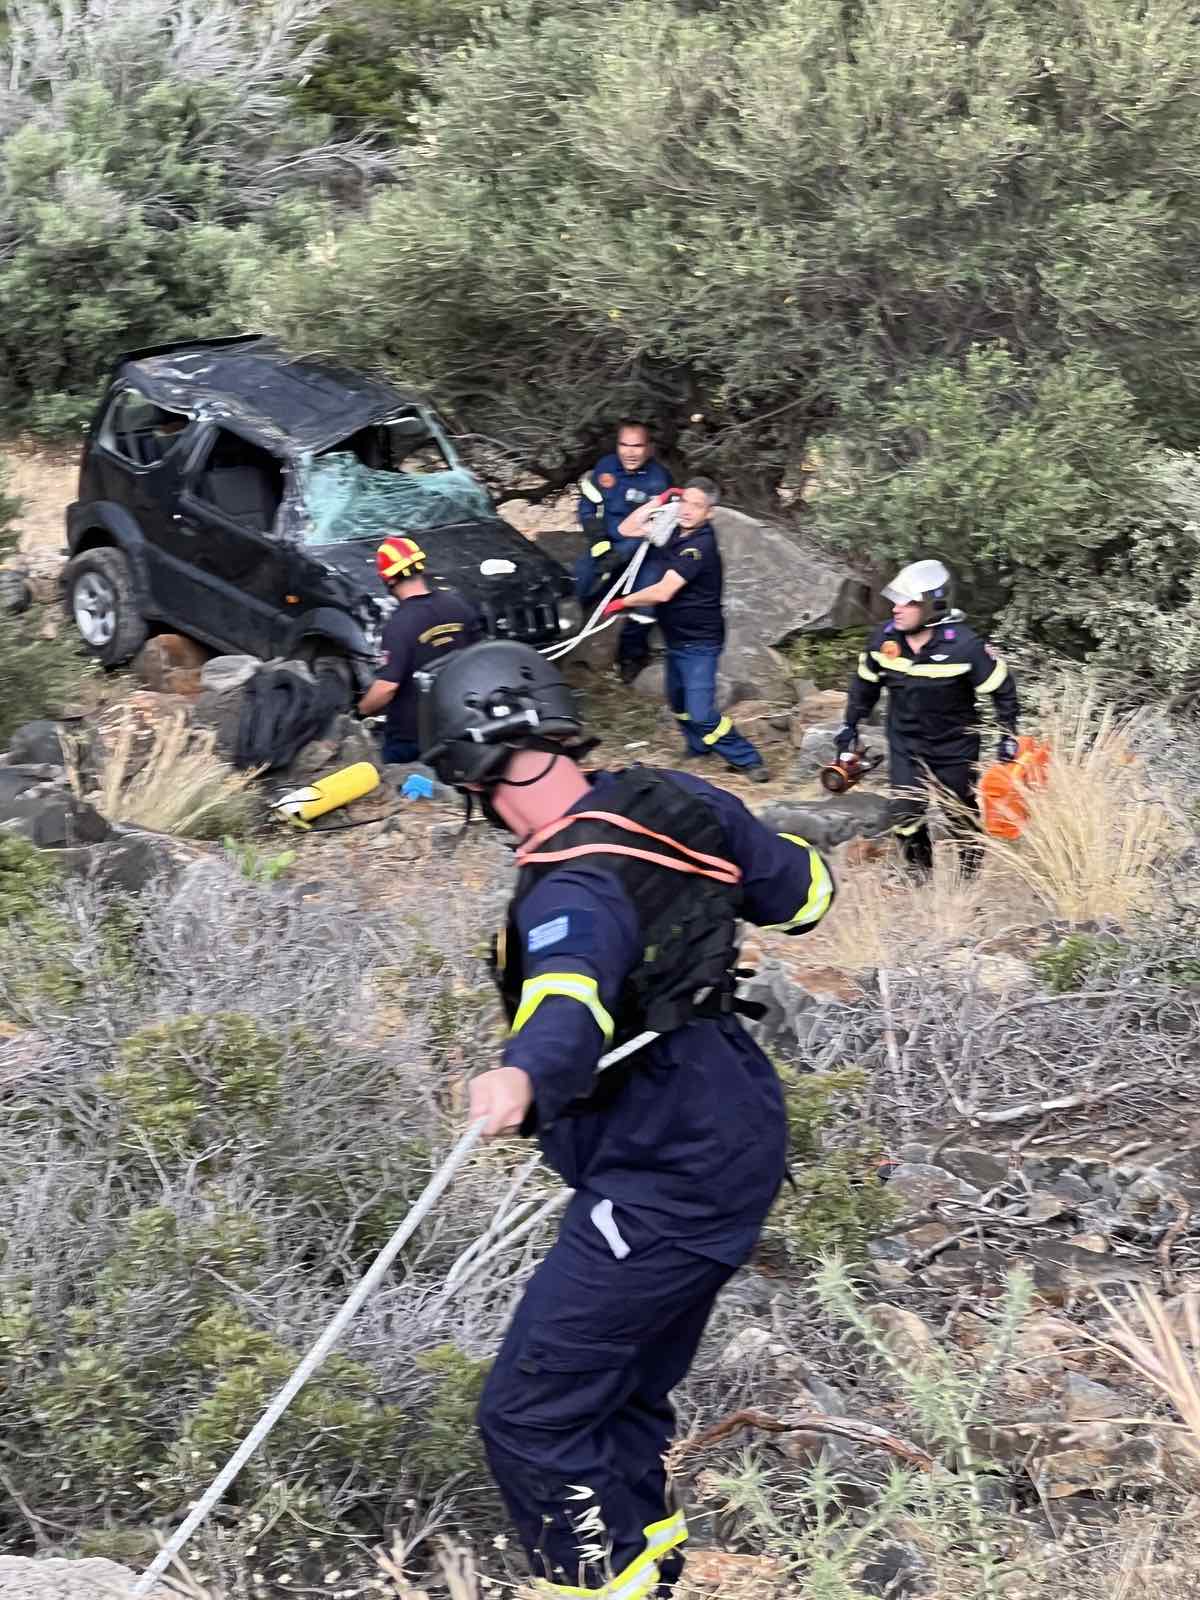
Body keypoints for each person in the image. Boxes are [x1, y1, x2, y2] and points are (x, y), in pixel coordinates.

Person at [415, 639, 834, 1600]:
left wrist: (522, 1075)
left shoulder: (568, 879)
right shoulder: (677, 800)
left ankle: (603, 1583)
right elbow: (803, 896)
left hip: (666, 1162)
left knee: (534, 1416)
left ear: (472, 769)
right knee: (622, 1391)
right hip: (729, 1116)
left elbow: (569, 994)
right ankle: (650, 1570)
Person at [835, 558, 1020, 875]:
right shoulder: (884, 641)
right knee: (906, 813)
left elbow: (1002, 689)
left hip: (955, 747)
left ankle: (968, 875)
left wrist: (1008, 735)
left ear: (932, 607)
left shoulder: (965, 647)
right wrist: (850, 725)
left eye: (908, 603)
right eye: (897, 601)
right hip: (906, 743)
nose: (896, 608)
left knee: (959, 813)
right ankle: (920, 873)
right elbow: (864, 685)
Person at [607, 477, 769, 783]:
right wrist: (658, 501)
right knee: (679, 703)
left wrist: (623, 602)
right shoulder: (673, 532)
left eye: (697, 506)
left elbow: (664, 592)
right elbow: (626, 529)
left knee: (700, 712)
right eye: (685, 501)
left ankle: (748, 760)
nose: (687, 510)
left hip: (700, 643)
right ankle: (698, 748)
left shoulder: (698, 546)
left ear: (709, 513)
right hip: (676, 639)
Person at [357, 535, 480, 764]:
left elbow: (386, 688)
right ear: (419, 568)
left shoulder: (399, 625)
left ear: (389, 580)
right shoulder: (458, 605)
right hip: (462, 722)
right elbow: (478, 657)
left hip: (413, 739)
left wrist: (361, 709)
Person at [574, 422, 673, 684]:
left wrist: (621, 555)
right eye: (624, 445)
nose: (630, 452)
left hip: (644, 552)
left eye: (637, 446)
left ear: (649, 449)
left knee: (645, 602)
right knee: (580, 582)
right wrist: (601, 545)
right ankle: (561, 639)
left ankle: (631, 656)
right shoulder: (605, 468)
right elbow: (588, 507)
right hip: (606, 544)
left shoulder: (658, 480)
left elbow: (652, 528)